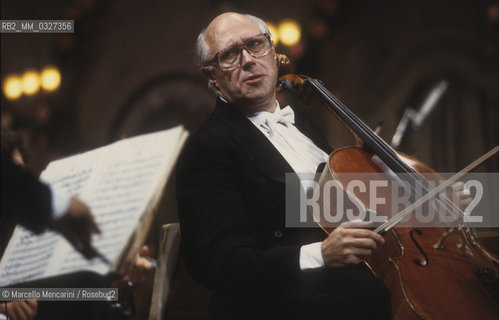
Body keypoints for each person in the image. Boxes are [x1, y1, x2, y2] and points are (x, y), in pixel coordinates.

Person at [176, 12, 391, 320]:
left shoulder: (302, 124)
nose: (248, 60)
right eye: (229, 55)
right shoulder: (206, 150)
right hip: (283, 304)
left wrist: (431, 197)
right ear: (211, 75)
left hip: (346, 285)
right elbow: (220, 265)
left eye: (255, 44)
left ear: (273, 53)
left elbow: (344, 206)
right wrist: (321, 254)